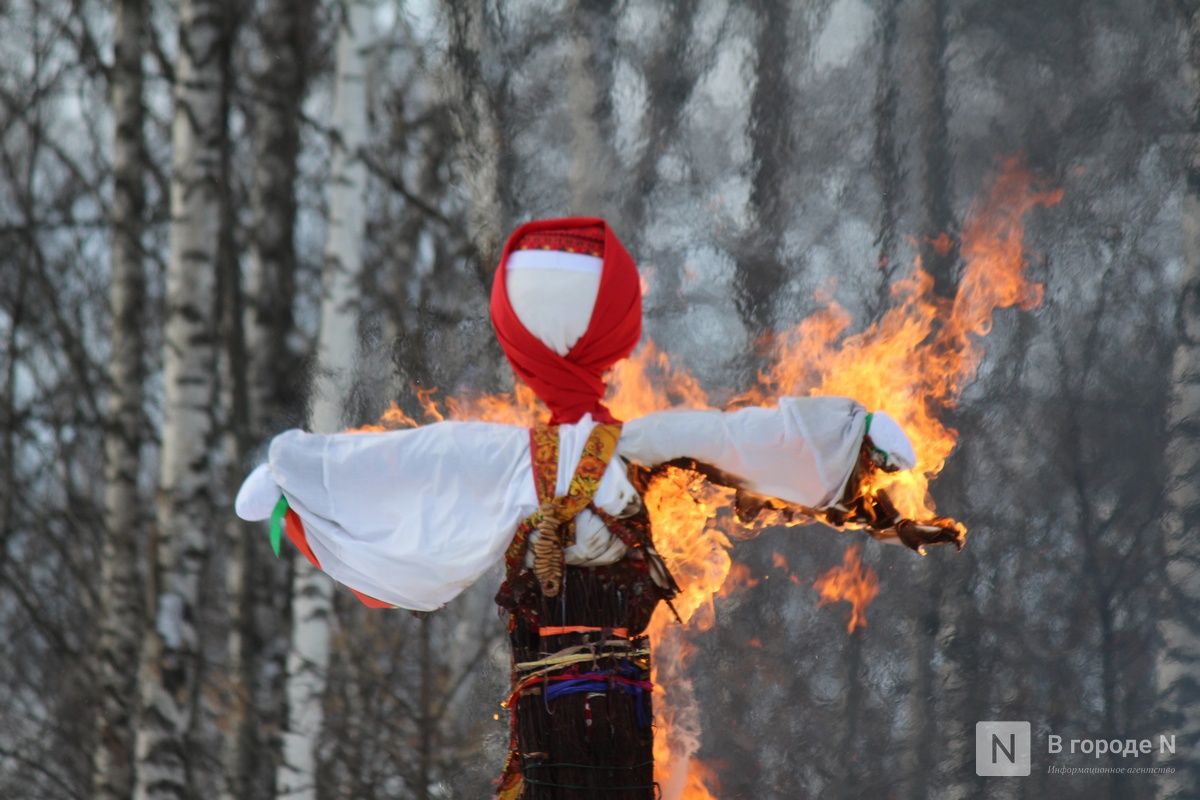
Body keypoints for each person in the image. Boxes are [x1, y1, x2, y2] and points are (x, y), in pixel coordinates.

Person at [235, 218, 945, 798]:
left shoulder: (525, 458)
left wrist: (856, 446)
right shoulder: (568, 454)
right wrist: (297, 478)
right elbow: (732, 438)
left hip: (604, 711)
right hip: (563, 714)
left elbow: (422, 464)